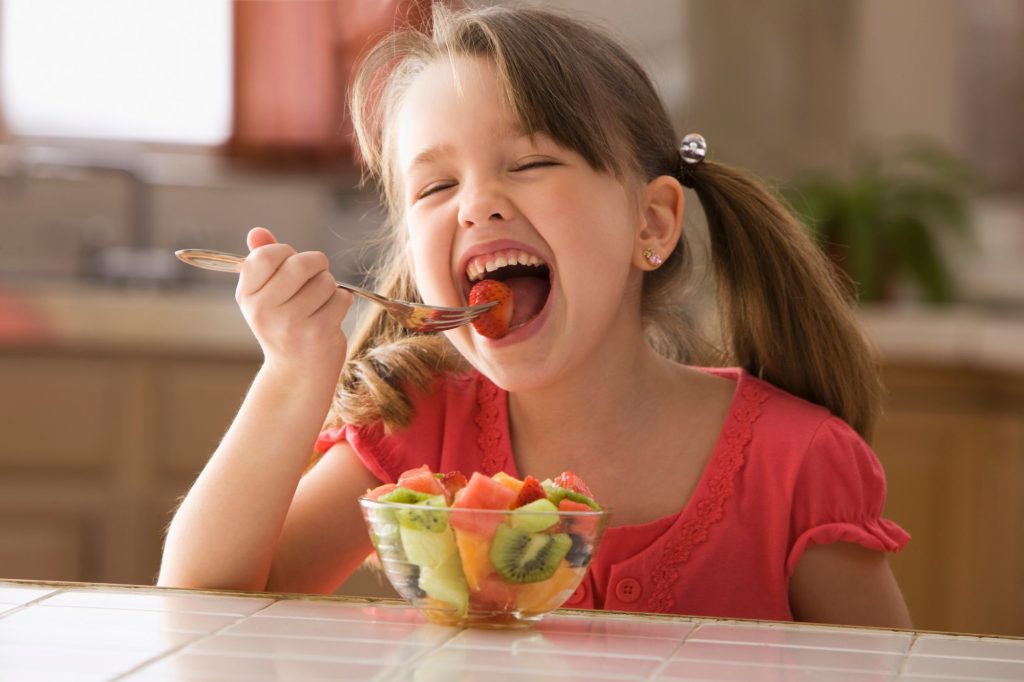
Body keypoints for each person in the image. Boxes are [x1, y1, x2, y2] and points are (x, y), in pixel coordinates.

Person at [158, 4, 912, 628]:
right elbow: (203, 611)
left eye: (530, 164)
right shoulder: (422, 428)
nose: (478, 202)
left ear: (650, 223)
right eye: (434, 186)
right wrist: (292, 375)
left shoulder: (799, 463)